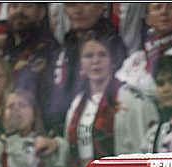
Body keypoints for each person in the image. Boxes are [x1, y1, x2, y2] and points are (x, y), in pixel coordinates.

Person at [39, 30, 156, 167]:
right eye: (88, 56)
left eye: (102, 54)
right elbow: (73, 149)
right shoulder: (77, 103)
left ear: (112, 60)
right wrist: (57, 145)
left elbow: (146, 150)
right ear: (81, 62)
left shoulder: (132, 100)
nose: (95, 61)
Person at [45, 3, 125, 134]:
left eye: (86, 3)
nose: (78, 10)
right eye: (72, 5)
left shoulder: (112, 47)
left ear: (100, 7)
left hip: (100, 132)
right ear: (65, 10)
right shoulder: (62, 49)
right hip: (59, 133)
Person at [116, 2, 172, 97]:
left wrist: (127, 86)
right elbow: (115, 84)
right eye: (157, 7)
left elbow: (153, 88)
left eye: (171, 7)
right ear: (148, 19)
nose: (164, 12)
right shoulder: (139, 56)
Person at [0, 2, 59, 120]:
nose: (19, 11)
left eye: (27, 6)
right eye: (14, 6)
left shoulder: (49, 49)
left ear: (41, 13)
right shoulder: (3, 50)